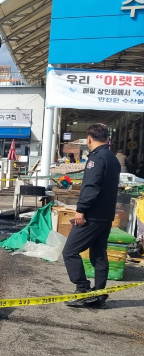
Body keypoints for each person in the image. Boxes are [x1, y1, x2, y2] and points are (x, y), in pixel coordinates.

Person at [62, 124, 120, 308]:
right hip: (106, 215)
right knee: (99, 254)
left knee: (70, 251)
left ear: (89, 139)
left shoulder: (96, 159)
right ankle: (99, 293)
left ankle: (83, 289)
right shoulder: (113, 158)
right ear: (107, 139)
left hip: (92, 215)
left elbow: (91, 187)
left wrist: (81, 209)